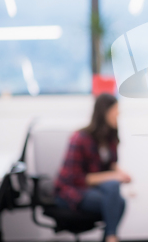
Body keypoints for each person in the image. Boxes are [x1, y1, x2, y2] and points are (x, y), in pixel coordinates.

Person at [54, 93, 131, 242]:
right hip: (70, 191)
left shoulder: (110, 137)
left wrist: (121, 173)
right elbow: (76, 178)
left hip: (93, 189)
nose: (119, 114)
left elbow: (110, 165)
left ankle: (110, 236)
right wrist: (113, 176)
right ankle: (111, 237)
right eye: (116, 111)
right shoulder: (80, 138)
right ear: (105, 112)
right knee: (117, 201)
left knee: (114, 191)